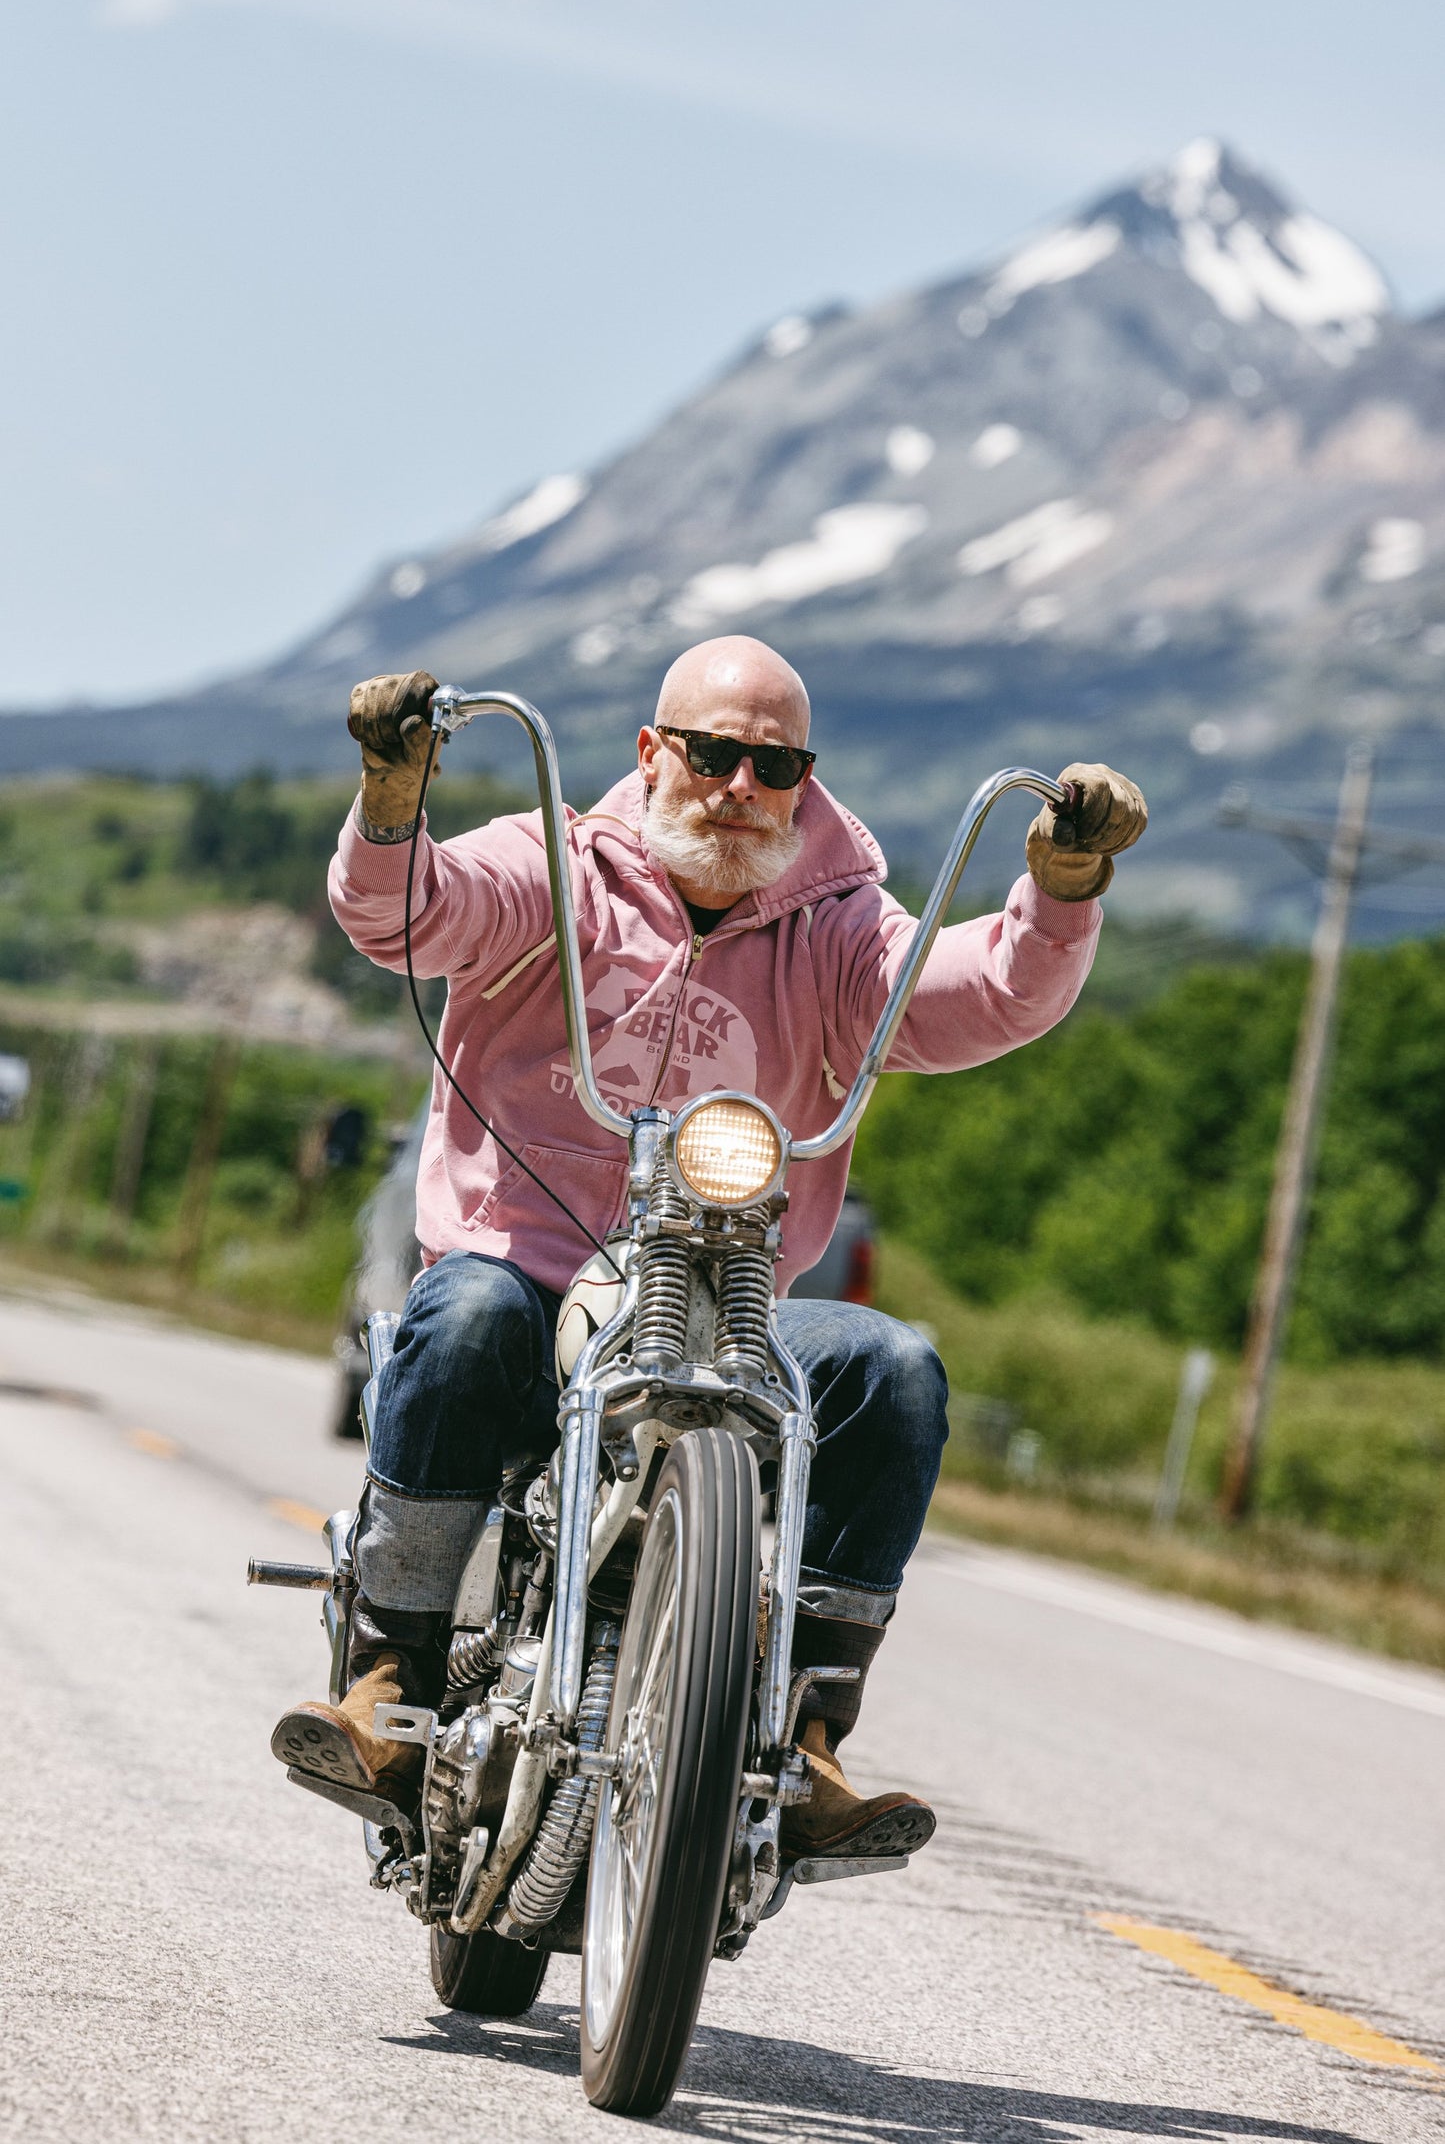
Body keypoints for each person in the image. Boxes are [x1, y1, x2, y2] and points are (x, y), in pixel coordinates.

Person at [272, 637, 1146, 1857]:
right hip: (525, 1277)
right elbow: (405, 918)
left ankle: (805, 1740)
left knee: (891, 1368)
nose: (740, 786)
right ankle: (389, 1678)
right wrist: (391, 805)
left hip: (725, 1307)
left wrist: (1058, 893)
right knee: (461, 1312)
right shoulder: (553, 866)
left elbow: (979, 995)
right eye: (715, 753)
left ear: (803, 779)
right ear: (652, 752)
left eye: (774, 763)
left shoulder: (841, 928)